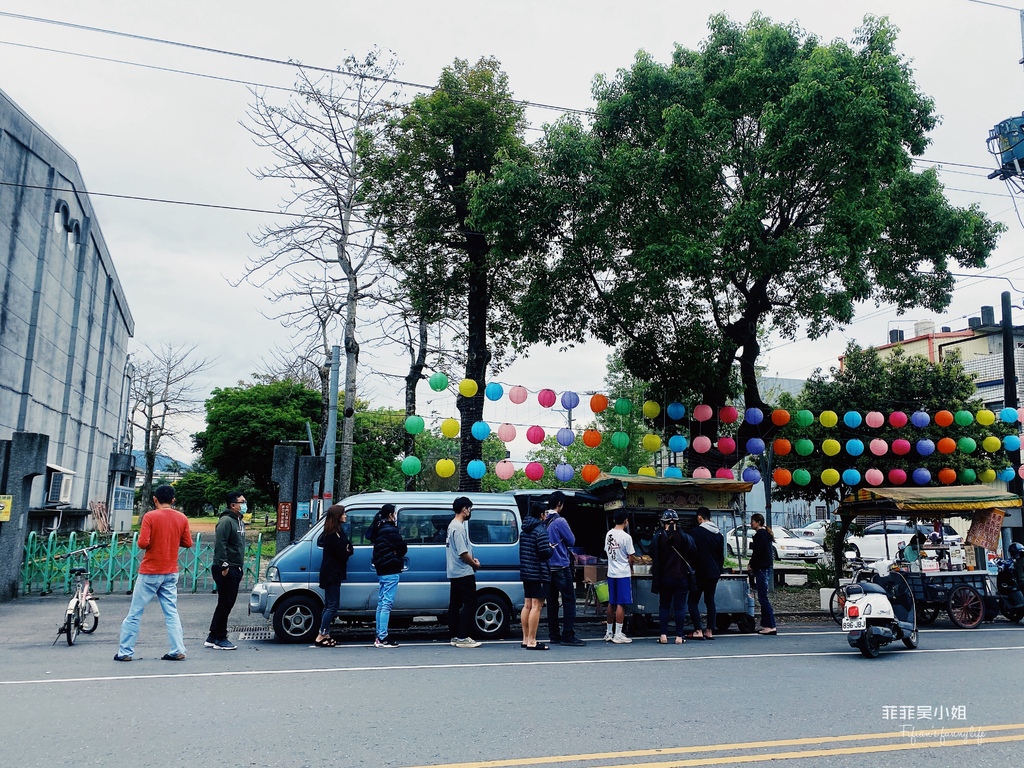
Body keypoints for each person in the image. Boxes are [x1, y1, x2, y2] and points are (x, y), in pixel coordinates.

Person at [114, 485, 193, 661]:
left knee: (135, 612)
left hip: (150, 571)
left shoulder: (150, 516)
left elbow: (143, 543)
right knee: (171, 612)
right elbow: (188, 543)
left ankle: (125, 652)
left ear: (155, 499)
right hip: (171, 571)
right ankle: (178, 649)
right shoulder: (181, 518)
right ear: (173, 500)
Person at [206, 490, 246, 651]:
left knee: (225, 603)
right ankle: (220, 638)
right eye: (242, 502)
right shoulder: (226, 521)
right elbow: (220, 544)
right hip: (226, 568)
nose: (244, 505)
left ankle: (213, 635)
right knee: (225, 603)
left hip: (235, 566)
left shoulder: (238, 520)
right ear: (233, 505)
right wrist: (224, 565)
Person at [650, 509, 696, 644]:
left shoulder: (658, 537)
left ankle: (663, 636)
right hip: (682, 577)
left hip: (664, 577)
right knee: (680, 607)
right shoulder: (685, 537)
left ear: (663, 522)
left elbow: (651, 553)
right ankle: (679, 637)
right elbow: (693, 553)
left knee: (664, 606)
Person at [545, 491, 585, 646]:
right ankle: (568, 634)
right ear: (560, 504)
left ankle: (553, 635)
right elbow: (571, 540)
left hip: (547, 566)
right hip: (560, 565)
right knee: (569, 600)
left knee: (552, 602)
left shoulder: (542, 519)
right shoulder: (559, 521)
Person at [369, 503, 407, 648]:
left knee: (381, 603)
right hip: (391, 569)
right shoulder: (391, 530)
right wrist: (397, 554)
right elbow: (403, 547)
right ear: (391, 515)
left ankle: (379, 634)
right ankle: (383, 636)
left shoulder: (378, 528)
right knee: (387, 603)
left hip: (381, 570)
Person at [314, 504, 353, 648]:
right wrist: (347, 550)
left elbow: (349, 547)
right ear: (337, 516)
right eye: (343, 514)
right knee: (332, 605)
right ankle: (322, 634)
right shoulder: (331, 535)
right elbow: (344, 552)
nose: (345, 516)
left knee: (329, 604)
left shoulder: (338, 532)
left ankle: (326, 634)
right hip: (331, 574)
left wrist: (347, 549)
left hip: (334, 572)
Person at [447, 496, 482, 648]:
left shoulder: (451, 525)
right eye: (469, 508)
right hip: (463, 571)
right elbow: (463, 552)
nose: (470, 511)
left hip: (454, 571)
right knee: (470, 603)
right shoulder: (459, 527)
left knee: (455, 604)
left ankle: (454, 635)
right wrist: (474, 564)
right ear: (464, 509)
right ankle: (462, 636)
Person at [688, 506, 725, 640]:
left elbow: (691, 552)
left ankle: (698, 629)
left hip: (700, 572)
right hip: (714, 573)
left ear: (699, 517)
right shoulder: (718, 534)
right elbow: (721, 556)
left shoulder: (696, 532)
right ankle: (709, 630)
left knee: (692, 601)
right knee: (710, 601)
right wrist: (719, 569)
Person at [519, 503, 553, 650]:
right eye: (545, 513)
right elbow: (544, 552)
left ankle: (525, 638)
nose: (546, 515)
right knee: (536, 606)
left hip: (526, 572)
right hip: (538, 572)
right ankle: (533, 640)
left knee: (527, 605)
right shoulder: (541, 530)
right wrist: (550, 549)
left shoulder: (524, 530)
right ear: (541, 515)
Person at [604, 509, 635, 644]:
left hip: (611, 572)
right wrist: (631, 567)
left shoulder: (608, 534)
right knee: (621, 603)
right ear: (625, 521)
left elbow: (607, 552)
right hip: (623, 573)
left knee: (612, 602)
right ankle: (618, 633)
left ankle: (609, 632)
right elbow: (631, 557)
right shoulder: (626, 537)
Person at [748, 513, 777, 635]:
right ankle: (765, 624)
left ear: (758, 522)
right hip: (766, 567)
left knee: (763, 597)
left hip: (761, 568)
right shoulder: (766, 535)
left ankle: (771, 625)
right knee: (762, 596)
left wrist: (751, 564)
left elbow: (757, 553)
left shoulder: (760, 536)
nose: (751, 524)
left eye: (753, 521)